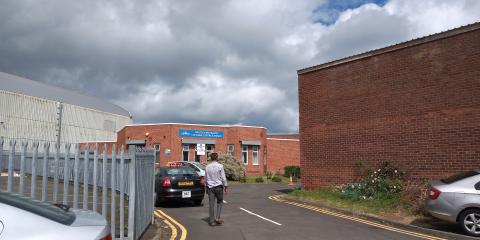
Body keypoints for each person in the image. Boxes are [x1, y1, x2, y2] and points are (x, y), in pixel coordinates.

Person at [205, 152, 228, 226]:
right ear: (217, 158)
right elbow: (223, 178)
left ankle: (211, 221)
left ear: (211, 158)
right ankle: (217, 218)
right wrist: (226, 187)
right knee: (220, 201)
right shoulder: (220, 166)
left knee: (211, 204)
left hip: (210, 187)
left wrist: (206, 187)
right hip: (218, 187)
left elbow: (205, 178)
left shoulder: (207, 167)